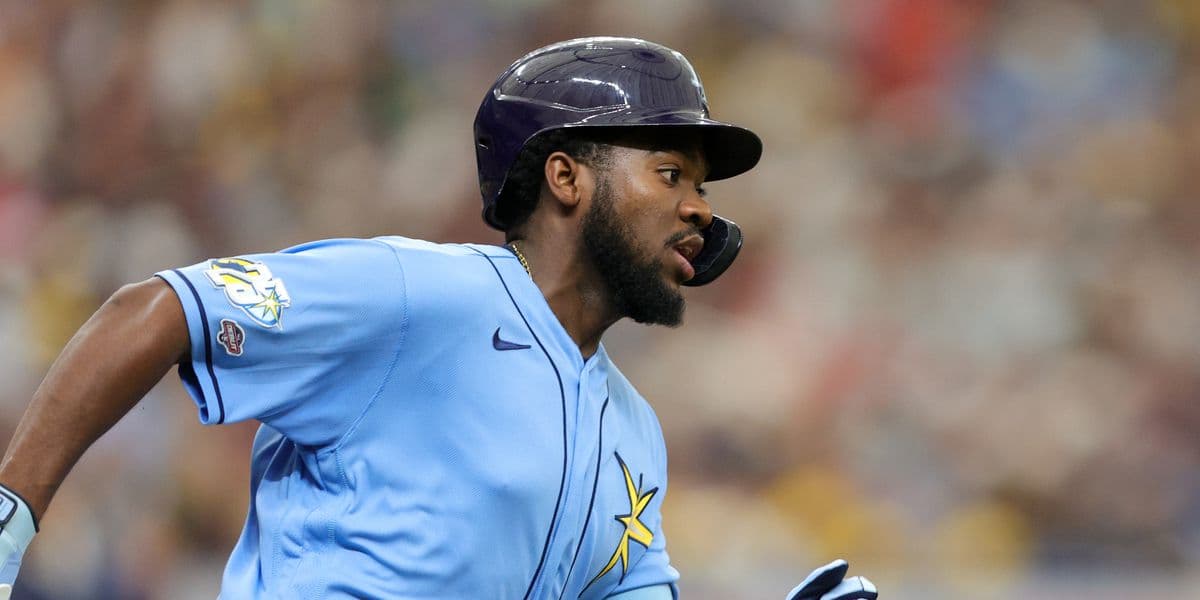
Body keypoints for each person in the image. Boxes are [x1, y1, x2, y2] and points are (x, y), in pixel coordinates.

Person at [0, 37, 877, 599]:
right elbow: (155, 311)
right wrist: (13, 513)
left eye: (702, 188)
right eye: (671, 173)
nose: (699, 210)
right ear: (566, 177)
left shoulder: (635, 433)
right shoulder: (418, 294)